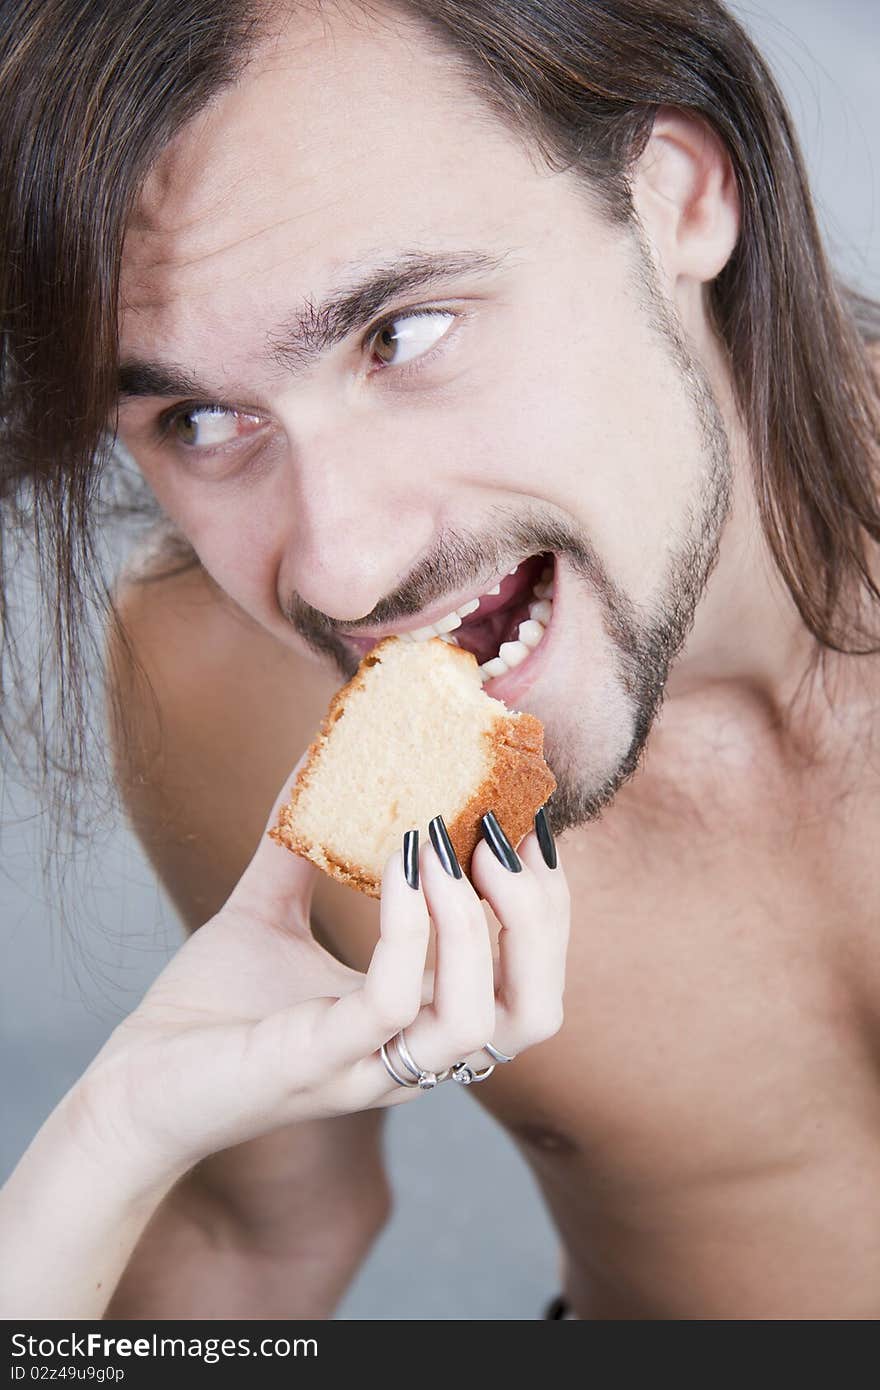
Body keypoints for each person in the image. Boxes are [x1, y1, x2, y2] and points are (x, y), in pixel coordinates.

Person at [0, 0, 878, 1322]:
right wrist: (114, 1142)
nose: (337, 572)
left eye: (402, 333)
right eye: (202, 418)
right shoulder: (227, 686)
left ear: (676, 199)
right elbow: (252, 1238)